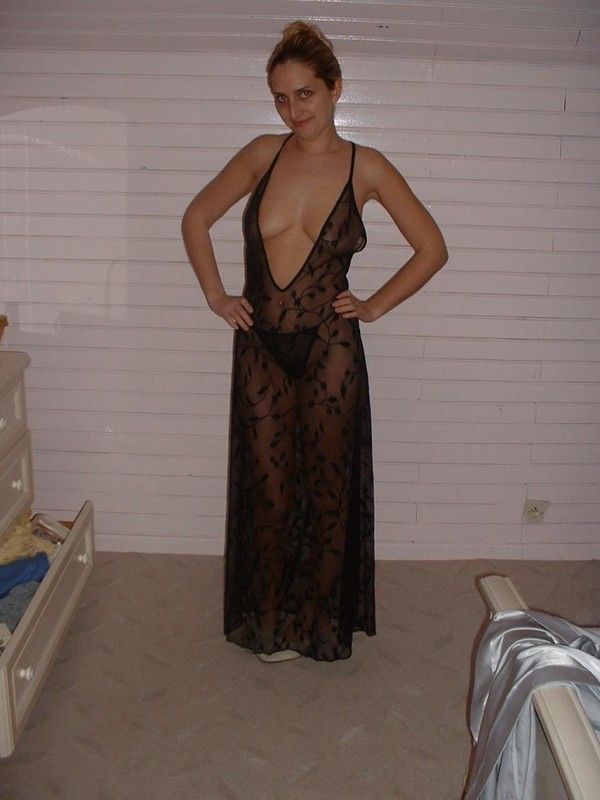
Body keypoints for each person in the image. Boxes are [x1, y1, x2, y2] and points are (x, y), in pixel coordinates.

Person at [182, 21, 448, 663]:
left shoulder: (367, 166)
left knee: (326, 491)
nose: (293, 109)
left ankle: (319, 626)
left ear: (335, 89)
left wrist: (375, 306)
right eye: (281, 97)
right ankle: (273, 620)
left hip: (332, 348)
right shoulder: (261, 155)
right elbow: (196, 217)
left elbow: (432, 248)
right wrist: (217, 296)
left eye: (304, 94)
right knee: (270, 488)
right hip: (261, 347)